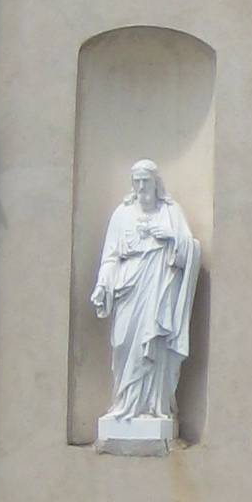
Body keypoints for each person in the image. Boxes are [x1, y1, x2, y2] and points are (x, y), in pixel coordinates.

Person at [91, 160, 199, 448]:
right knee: (123, 342)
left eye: (146, 182)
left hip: (158, 291)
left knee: (155, 347)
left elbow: (191, 250)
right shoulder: (122, 214)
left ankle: (153, 406)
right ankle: (124, 402)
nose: (141, 188)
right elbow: (110, 256)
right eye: (136, 181)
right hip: (129, 289)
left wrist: (173, 239)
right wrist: (103, 285)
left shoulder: (170, 212)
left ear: (156, 183)